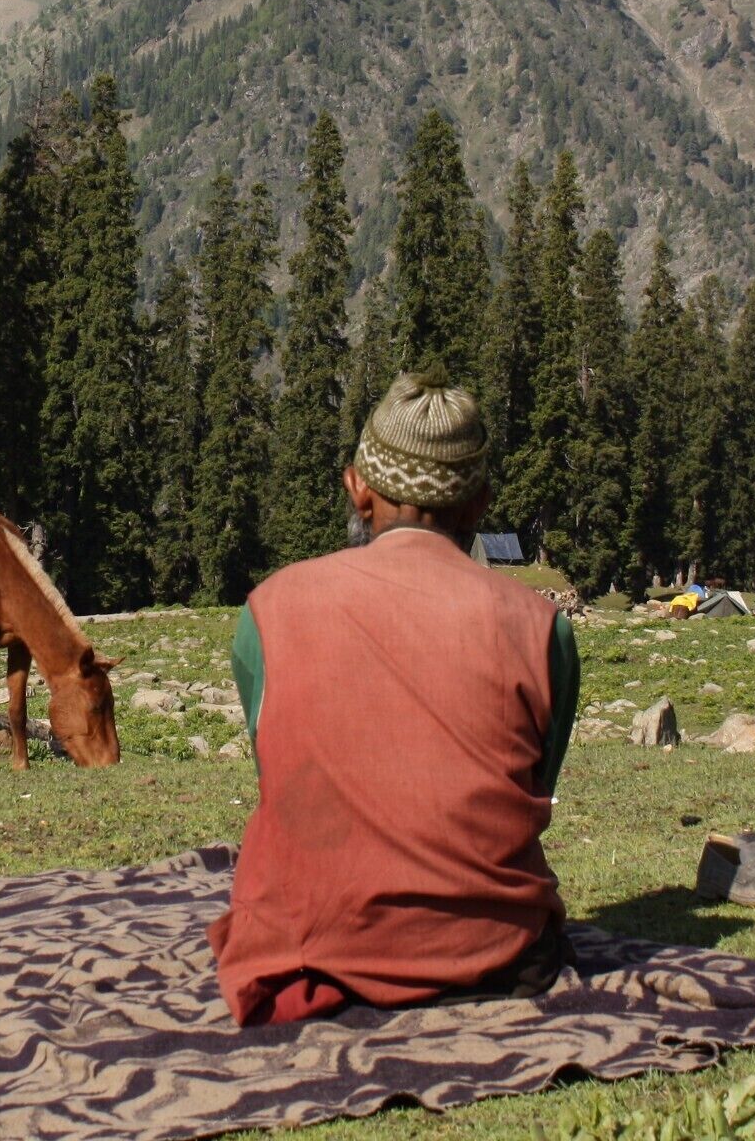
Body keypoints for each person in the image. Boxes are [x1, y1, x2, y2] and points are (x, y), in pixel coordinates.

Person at [208, 370, 580, 1026]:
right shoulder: (542, 629)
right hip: (502, 956)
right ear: (480, 502)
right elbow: (534, 787)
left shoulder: (269, 611)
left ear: (358, 488)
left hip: (315, 952)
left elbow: (284, 780)